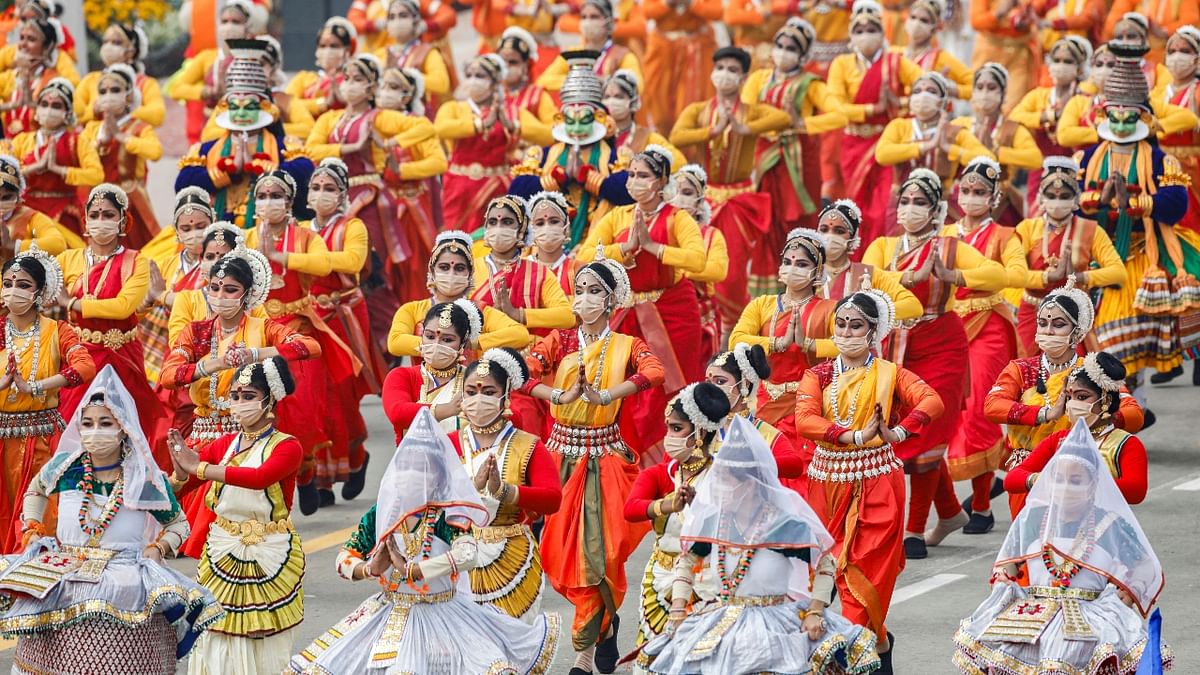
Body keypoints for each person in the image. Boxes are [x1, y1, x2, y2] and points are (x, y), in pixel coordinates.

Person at [284, 409, 561, 674]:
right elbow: (345, 557)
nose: (412, 477)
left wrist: (417, 571)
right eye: (407, 468)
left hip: (442, 612)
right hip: (389, 609)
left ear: (439, 477)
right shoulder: (382, 514)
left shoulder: (443, 514)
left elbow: (468, 555)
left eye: (423, 470)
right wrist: (369, 569)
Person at [0, 366, 220, 674]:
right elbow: (35, 490)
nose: (95, 430)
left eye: (105, 423)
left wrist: (158, 549)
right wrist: (33, 530)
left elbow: (178, 524)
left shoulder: (142, 477)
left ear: (122, 427)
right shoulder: (66, 467)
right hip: (65, 580)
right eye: (87, 423)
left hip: (123, 587)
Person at [642, 415, 881, 674]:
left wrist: (815, 611)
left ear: (752, 482)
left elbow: (825, 563)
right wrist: (678, 609)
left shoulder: (783, 524)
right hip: (724, 618)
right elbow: (686, 561)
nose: (720, 486)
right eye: (720, 478)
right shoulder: (715, 521)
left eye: (728, 480)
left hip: (776, 622)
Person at [520, 257, 664, 675]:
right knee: (563, 553)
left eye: (593, 291)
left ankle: (583, 654)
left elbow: (654, 373)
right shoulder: (560, 341)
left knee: (599, 555)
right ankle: (605, 624)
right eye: (579, 290)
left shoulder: (626, 345)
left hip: (605, 460)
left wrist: (607, 396)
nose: (584, 298)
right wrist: (558, 397)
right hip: (560, 459)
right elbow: (521, 375)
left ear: (611, 298)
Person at [862, 169, 1008, 559]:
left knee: (925, 432)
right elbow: (866, 279)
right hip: (895, 346)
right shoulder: (882, 245)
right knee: (897, 431)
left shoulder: (948, 247)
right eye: (906, 202)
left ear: (936, 210)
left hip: (941, 343)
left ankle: (913, 529)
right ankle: (948, 512)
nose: (910, 210)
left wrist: (953, 275)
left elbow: (997, 274)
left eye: (920, 203)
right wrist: (908, 277)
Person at [794, 290, 944, 671]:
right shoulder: (820, 373)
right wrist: (853, 436)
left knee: (863, 579)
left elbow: (931, 401)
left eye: (855, 325)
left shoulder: (891, 374)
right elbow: (804, 420)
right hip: (826, 486)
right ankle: (878, 647)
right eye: (840, 324)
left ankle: (856, 653)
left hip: (877, 484)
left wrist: (900, 432)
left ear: (873, 331)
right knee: (824, 575)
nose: (845, 332)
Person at [953, 421, 1170, 674]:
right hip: (1035, 613)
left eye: (1075, 481)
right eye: (1058, 479)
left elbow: (1144, 565)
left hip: (1090, 616)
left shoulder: (1110, 523)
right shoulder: (1034, 517)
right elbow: (1010, 557)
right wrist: (1005, 576)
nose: (1065, 488)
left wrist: (1126, 594)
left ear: (1093, 486)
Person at [168, 357, 306, 675]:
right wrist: (178, 470)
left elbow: (257, 477)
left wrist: (197, 467)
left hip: (267, 552)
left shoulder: (287, 447)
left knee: (260, 637)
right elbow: (180, 489)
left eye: (248, 397)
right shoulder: (224, 445)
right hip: (222, 550)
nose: (239, 404)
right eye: (235, 396)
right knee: (214, 633)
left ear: (269, 400)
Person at [1077, 41, 1198, 390]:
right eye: (1113, 113)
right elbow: (1070, 205)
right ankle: (1127, 414)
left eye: (1128, 114)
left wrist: (1137, 203)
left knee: (1128, 346)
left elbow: (1176, 205)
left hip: (1145, 254)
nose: (1120, 121)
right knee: (1101, 342)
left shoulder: (1161, 160)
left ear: (1144, 116)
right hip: (1097, 255)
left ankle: (1132, 412)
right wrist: (1098, 198)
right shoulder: (1087, 159)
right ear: (1103, 114)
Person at [243, 170, 361, 513]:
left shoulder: (306, 237)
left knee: (303, 408)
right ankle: (267, 485)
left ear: (289, 201)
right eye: (262, 195)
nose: (269, 201)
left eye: (275, 194)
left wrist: (282, 258)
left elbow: (324, 265)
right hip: (259, 329)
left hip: (298, 328)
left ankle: (306, 470)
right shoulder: (248, 237)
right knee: (258, 408)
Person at [577, 146, 707, 447]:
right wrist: (624, 248)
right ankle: (625, 454)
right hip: (625, 311)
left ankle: (673, 452)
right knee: (623, 386)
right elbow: (584, 256)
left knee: (670, 387)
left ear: (661, 181)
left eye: (643, 175)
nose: (635, 180)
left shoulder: (678, 219)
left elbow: (697, 260)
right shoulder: (617, 216)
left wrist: (652, 247)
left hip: (672, 311)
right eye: (632, 174)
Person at [984, 283, 1145, 517]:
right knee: (1033, 547)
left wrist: (1099, 416)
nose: (1048, 331)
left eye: (1058, 324)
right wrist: (1046, 414)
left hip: (1079, 470)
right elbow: (992, 406)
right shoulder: (1020, 369)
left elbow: (1134, 414)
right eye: (1043, 323)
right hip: (1030, 469)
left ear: (1077, 331)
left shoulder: (1092, 371)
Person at [159, 240, 320, 454]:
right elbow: (168, 376)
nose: (220, 296)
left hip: (252, 435)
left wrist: (255, 354)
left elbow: (310, 346)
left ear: (249, 293)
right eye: (214, 288)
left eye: (231, 290)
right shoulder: (197, 332)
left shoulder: (263, 328)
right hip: (204, 435)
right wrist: (217, 364)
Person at [938, 157, 1027, 537]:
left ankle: (982, 505)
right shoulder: (943, 234)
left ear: (993, 198)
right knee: (943, 416)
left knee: (979, 412)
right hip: (945, 331)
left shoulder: (1006, 236)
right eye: (966, 191)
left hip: (988, 326)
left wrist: (969, 277)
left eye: (979, 192)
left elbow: (1018, 276)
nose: (970, 197)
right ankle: (949, 506)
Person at [668, 46, 791, 308]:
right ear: (712, 73)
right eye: (720, 68)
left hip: (739, 201)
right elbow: (676, 136)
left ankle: (733, 330)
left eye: (732, 70)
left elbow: (783, 118)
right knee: (699, 262)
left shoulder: (751, 111)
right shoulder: (698, 110)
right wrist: (712, 131)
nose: (725, 74)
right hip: (704, 200)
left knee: (733, 271)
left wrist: (746, 128)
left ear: (744, 78)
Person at [448, 348, 563, 620]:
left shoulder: (528, 445)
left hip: (513, 555)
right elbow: (429, 499)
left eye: (488, 392)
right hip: (456, 554)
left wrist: (505, 491)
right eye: (471, 392)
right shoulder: (450, 443)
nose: (478, 399)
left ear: (505, 397)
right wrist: (470, 488)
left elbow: (552, 499)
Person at [622, 382, 729, 661]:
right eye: (668, 427)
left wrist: (703, 506)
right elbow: (631, 509)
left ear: (701, 433)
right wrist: (670, 504)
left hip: (709, 577)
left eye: (677, 429)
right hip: (660, 575)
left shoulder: (723, 474)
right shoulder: (660, 474)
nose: (668, 436)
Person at [54, 185, 161, 459]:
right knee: (74, 426)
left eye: (109, 214)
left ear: (123, 221)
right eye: (95, 214)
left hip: (122, 357)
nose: (101, 220)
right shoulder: (67, 259)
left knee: (127, 428)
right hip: (80, 355)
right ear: (85, 220)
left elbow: (123, 307)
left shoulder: (137, 261)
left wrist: (72, 303)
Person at [0, 249, 94, 553]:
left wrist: (34, 387)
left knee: (43, 514)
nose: (14, 290)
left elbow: (84, 367)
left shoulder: (57, 330)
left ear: (40, 292)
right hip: (3, 438)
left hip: (44, 439)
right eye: (8, 283)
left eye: (24, 285)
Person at [174, 39, 315, 225]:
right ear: (225, 108)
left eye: (248, 107)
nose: (240, 113)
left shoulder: (286, 146)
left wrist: (260, 167)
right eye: (234, 106)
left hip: (270, 233)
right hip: (218, 237)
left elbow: (304, 174)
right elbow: (182, 184)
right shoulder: (207, 150)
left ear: (264, 108)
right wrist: (229, 171)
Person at [303, 158, 377, 501]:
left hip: (343, 313)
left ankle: (356, 457)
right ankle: (320, 479)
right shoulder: (301, 229)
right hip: (308, 316)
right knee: (314, 396)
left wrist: (303, 259)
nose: (321, 194)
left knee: (344, 393)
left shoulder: (353, 227)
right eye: (316, 188)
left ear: (343, 194)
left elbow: (352, 262)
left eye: (329, 188)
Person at [511, 51, 634, 248]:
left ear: (598, 118)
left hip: (599, 239)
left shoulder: (617, 155)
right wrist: (560, 177)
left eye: (584, 120)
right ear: (560, 120)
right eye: (571, 120)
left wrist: (587, 177)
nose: (576, 129)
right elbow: (517, 192)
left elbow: (627, 193)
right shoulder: (542, 154)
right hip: (547, 240)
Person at [742, 17, 847, 246]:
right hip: (764, 154)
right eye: (780, 46)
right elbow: (745, 110)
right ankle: (771, 276)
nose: (782, 52)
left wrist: (803, 124)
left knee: (798, 218)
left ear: (802, 56)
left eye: (790, 49)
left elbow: (840, 115)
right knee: (766, 216)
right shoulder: (758, 79)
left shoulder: (810, 84)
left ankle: (804, 266)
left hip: (799, 157)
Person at [827, 0, 923, 250]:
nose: (866, 36)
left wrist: (898, 103)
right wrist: (873, 109)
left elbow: (927, 88)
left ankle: (882, 260)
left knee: (883, 209)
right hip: (853, 147)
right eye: (859, 31)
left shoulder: (895, 62)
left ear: (882, 33)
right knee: (856, 209)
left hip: (886, 145)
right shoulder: (841, 64)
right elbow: (835, 107)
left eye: (871, 30)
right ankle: (854, 263)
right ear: (851, 35)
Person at [728, 228, 838, 446]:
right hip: (763, 401)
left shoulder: (830, 309)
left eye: (801, 264)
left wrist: (807, 344)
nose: (792, 268)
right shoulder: (762, 304)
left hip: (808, 403)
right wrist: (778, 343)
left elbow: (843, 346)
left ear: (817, 272)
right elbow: (736, 339)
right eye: (787, 262)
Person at [1012, 158, 1125, 357]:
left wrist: (1080, 277)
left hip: (1073, 314)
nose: (1057, 202)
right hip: (1032, 314)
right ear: (1041, 198)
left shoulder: (1090, 230)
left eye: (1064, 196)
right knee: (1028, 375)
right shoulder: (1027, 229)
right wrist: (1047, 277)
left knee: (1073, 378)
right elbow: (1012, 274)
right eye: (1051, 196)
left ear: (1075, 199)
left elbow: (1118, 273)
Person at [1005, 351, 1148, 507]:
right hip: (1058, 526)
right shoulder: (1059, 440)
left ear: (1105, 400)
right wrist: (1042, 479)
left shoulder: (1125, 444)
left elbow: (1136, 491)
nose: (1072, 404)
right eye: (1069, 397)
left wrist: (1081, 485)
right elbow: (1012, 479)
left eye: (1081, 397)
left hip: (1104, 525)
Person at [387, 230, 531, 359]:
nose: (451, 273)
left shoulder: (479, 311)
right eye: (444, 267)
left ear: (469, 275)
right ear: (432, 272)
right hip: (424, 386)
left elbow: (520, 334)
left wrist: (471, 343)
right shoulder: (412, 310)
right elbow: (395, 342)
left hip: (470, 385)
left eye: (459, 268)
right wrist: (443, 345)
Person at [875, 71, 995, 225]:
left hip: (942, 207)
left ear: (943, 101)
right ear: (910, 100)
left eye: (931, 91)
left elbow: (987, 159)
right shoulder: (899, 126)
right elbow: (882, 154)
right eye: (917, 91)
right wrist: (926, 146)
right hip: (904, 205)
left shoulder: (954, 132)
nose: (923, 96)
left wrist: (950, 148)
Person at [434, 54, 534, 232]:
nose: (473, 81)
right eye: (469, 75)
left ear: (495, 82)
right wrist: (480, 124)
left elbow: (545, 134)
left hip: (496, 187)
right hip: (458, 188)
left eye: (480, 76)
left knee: (493, 239)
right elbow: (441, 129)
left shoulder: (510, 111)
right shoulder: (454, 108)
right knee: (457, 240)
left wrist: (511, 125)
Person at [79, 63, 164, 249]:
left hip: (131, 201)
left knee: (136, 251)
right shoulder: (92, 128)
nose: (108, 96)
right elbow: (80, 159)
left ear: (129, 96)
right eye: (103, 91)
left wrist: (122, 138)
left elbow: (155, 152)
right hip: (98, 201)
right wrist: (100, 143)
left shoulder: (139, 126)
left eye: (115, 90)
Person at [138, 188, 215, 391]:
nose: (194, 233)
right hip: (165, 350)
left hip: (206, 349)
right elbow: (139, 309)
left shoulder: (221, 264)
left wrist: (161, 296)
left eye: (201, 226)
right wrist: (148, 301)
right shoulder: (166, 265)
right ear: (177, 232)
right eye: (186, 229)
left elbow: (206, 302)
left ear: (212, 225)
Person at [10, 77, 103, 238]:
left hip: (64, 212)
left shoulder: (77, 141)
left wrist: (59, 170)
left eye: (56, 106)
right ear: (37, 111)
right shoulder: (21, 140)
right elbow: (5, 174)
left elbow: (97, 174)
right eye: (44, 104)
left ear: (67, 113)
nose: (49, 110)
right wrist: (35, 167)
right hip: (26, 210)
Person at [952, 63, 1043, 225]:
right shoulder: (960, 124)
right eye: (979, 87)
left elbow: (1036, 159)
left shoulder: (1012, 129)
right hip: (961, 201)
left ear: (1003, 94)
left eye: (991, 87)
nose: (984, 93)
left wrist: (996, 152)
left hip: (1000, 205)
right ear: (973, 93)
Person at [1010, 36, 1093, 213]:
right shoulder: (1040, 95)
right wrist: (1049, 116)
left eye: (1068, 61)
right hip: (1041, 169)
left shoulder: (1085, 100)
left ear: (1079, 68)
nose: (1061, 66)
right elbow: (1015, 117)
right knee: (1034, 218)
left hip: (1077, 170)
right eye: (1057, 60)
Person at [704, 344, 805, 484]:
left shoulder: (762, 432)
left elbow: (795, 465)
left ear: (744, 383)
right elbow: (670, 469)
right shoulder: (698, 429)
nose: (711, 389)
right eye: (708, 382)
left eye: (720, 381)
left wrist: (752, 465)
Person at [382, 300, 478, 441]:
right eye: (430, 336)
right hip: (415, 460)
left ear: (462, 344)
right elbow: (397, 413)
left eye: (447, 339)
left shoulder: (474, 380)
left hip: (464, 461)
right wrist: (448, 409)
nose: (436, 345)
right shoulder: (403, 376)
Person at [164, 0, 257, 144]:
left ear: (247, 27)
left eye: (236, 22)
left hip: (247, 127)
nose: (229, 26)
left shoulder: (256, 57)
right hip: (212, 128)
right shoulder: (207, 57)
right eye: (224, 21)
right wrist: (206, 92)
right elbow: (176, 88)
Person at [670, 165, 727, 359]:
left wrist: (675, 269)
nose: (680, 198)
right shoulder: (661, 229)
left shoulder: (711, 235)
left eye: (687, 193)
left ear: (700, 198)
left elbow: (718, 270)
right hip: (665, 314)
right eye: (675, 192)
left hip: (701, 315)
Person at [639, 0, 722, 132]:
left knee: (692, 104)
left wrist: (692, 4)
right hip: (663, 53)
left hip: (696, 53)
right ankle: (662, 143)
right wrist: (666, 3)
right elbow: (646, 12)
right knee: (658, 104)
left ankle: (690, 144)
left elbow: (718, 13)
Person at [536, 0, 643, 93]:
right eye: (584, 17)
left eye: (594, 17)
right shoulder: (573, 54)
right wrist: (579, 81)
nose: (588, 22)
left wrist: (610, 83)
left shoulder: (622, 55)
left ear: (609, 23)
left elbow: (638, 86)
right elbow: (542, 82)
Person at [0, 16, 78, 137]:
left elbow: (66, 117)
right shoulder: (9, 77)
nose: (23, 44)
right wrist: (12, 105)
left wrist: (32, 104)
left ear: (47, 48)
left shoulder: (53, 81)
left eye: (31, 39)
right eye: (21, 38)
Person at [1155, 26, 1200, 236]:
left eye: (1184, 51)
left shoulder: (1197, 92)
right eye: (1171, 51)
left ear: (1197, 58)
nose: (1176, 56)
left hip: (1193, 167)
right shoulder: (1159, 93)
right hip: (1160, 163)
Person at [74, 23, 164, 128]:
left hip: (131, 141)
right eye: (105, 42)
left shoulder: (145, 83)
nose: (108, 47)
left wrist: (127, 110)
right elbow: (71, 115)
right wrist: (94, 109)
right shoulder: (90, 79)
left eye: (116, 42)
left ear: (131, 52)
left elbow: (158, 115)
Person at [604, 70, 685, 173]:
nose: (611, 101)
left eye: (618, 97)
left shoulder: (647, 137)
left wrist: (645, 168)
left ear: (633, 102)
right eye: (606, 97)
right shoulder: (596, 135)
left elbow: (679, 163)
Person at [374, 0, 451, 106]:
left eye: (403, 15)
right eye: (392, 17)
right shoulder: (380, 54)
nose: (397, 21)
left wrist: (403, 74)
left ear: (416, 20)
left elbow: (442, 84)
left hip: (416, 115)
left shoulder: (427, 52)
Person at [497, 27, 556, 164]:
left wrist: (519, 126)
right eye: (502, 61)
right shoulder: (490, 94)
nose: (506, 66)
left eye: (513, 62)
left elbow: (555, 133)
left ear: (526, 65)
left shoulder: (537, 95)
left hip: (530, 165)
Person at [969, 0, 1040, 111]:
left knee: (1014, 107)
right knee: (984, 102)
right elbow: (976, 22)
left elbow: (1038, 12)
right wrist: (999, 13)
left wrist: (1027, 20)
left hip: (1019, 52)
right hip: (989, 51)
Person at [894, 0, 972, 97]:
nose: (916, 24)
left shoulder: (941, 58)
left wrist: (943, 88)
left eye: (924, 20)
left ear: (935, 28)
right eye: (913, 17)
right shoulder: (893, 54)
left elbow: (973, 84)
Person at [0, 154, 74, 255]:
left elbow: (58, 244)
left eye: (6, 197)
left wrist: (14, 245)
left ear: (18, 197)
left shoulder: (30, 217)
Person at [286, 16, 355, 120]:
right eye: (322, 46)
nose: (327, 51)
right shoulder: (304, 77)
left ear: (347, 50)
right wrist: (323, 103)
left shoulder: (352, 79)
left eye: (334, 46)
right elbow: (287, 105)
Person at [526, 190, 577, 298]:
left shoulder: (578, 270)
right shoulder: (520, 270)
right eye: (540, 223)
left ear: (566, 225)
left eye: (554, 221)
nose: (547, 227)